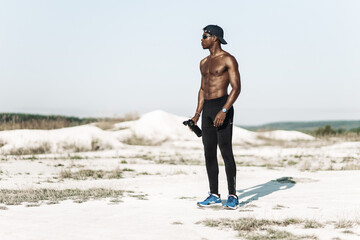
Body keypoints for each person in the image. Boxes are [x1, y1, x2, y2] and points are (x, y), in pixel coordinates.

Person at [192, 25, 241, 209]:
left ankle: (233, 195)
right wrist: (197, 114)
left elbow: (236, 88)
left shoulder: (228, 59)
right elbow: (202, 89)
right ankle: (213, 194)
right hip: (208, 110)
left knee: (226, 151)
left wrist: (224, 110)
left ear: (215, 38)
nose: (201, 39)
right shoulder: (203, 62)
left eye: (205, 36)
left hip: (223, 107)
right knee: (209, 153)